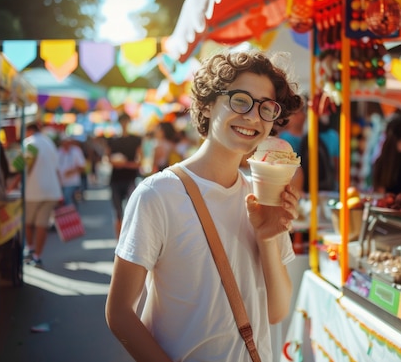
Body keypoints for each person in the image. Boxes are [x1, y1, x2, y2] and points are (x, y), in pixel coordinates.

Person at [105, 50, 304, 361]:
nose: (253, 116)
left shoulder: (263, 196)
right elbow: (119, 312)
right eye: (240, 100)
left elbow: (276, 312)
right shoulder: (158, 195)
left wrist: (267, 237)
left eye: (266, 108)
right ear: (208, 105)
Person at [10, 123, 62, 267]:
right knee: (42, 225)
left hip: (34, 191)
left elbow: (20, 167)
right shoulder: (49, 142)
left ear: (29, 130)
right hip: (52, 190)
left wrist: (12, 186)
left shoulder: (30, 143)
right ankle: (37, 256)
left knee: (28, 222)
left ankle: (30, 248)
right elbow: (57, 167)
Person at [107, 113, 143, 238]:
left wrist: (124, 164)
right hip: (115, 180)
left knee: (132, 212)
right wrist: (115, 162)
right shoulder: (112, 140)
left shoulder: (136, 139)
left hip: (130, 179)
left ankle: (130, 240)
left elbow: (140, 162)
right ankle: (119, 243)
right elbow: (107, 159)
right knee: (118, 213)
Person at [57, 135, 87, 206]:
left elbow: (82, 167)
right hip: (61, 182)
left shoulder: (76, 151)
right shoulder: (58, 152)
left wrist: (71, 171)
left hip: (73, 182)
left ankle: (72, 215)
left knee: (67, 198)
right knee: (66, 201)